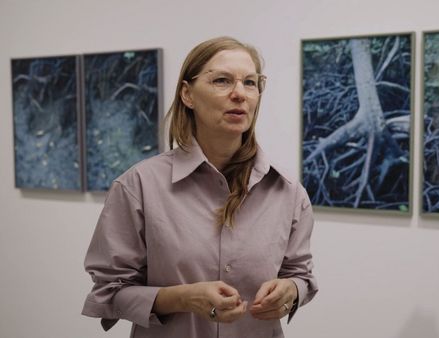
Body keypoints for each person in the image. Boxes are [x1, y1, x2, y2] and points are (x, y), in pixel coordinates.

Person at [82, 36, 318, 338]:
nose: (239, 94)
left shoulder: (287, 191)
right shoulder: (138, 186)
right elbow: (109, 293)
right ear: (187, 95)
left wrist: (291, 291)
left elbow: (301, 276)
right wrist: (182, 298)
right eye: (222, 81)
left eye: (250, 82)